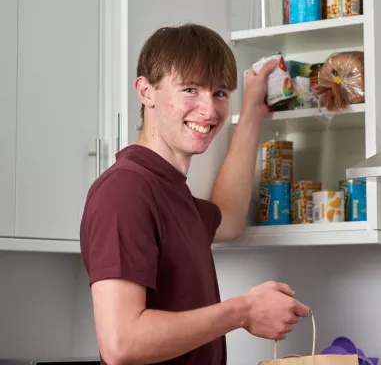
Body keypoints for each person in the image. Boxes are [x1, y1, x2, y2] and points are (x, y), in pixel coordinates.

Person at [80, 23, 309, 365]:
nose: (209, 111)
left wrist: (251, 114)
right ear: (146, 91)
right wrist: (243, 311)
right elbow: (121, 343)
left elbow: (228, 219)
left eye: (219, 93)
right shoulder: (125, 191)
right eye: (190, 89)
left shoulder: (171, 193)